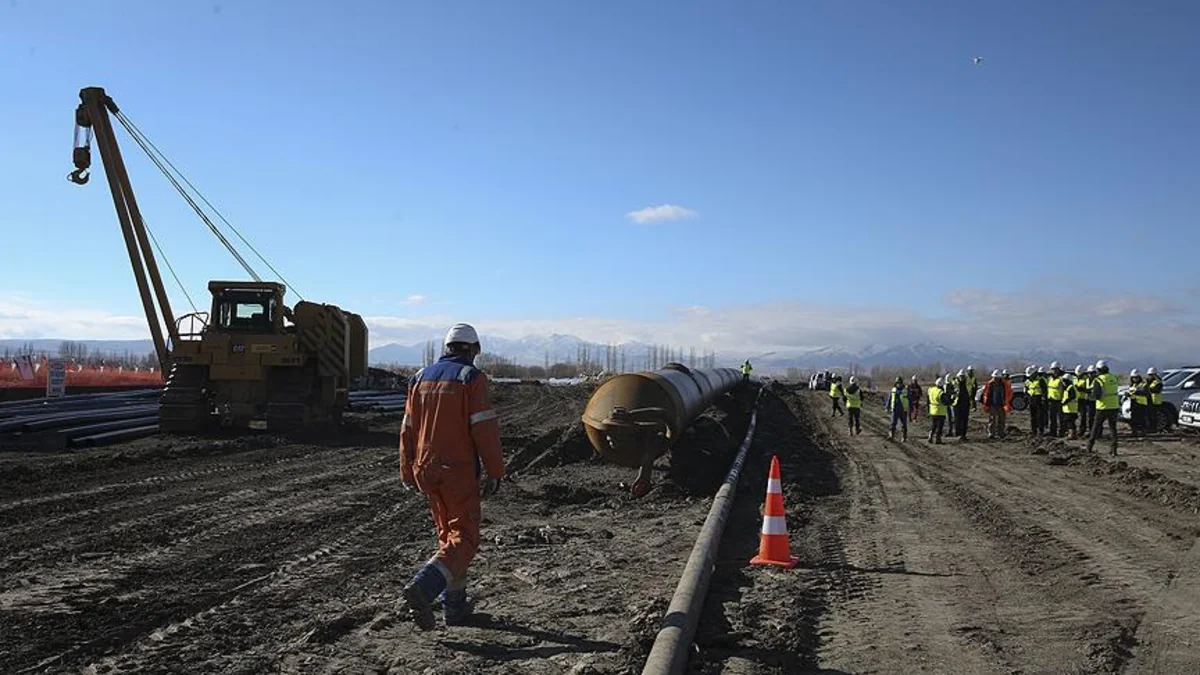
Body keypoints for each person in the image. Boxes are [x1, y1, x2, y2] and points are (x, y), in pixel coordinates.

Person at [400, 323, 505, 629]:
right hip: (456, 470)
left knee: (450, 537)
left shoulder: (419, 378)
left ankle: (455, 608)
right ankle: (424, 586)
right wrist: (496, 471)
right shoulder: (471, 378)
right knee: (466, 539)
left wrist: (407, 469)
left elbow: (407, 428)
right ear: (473, 350)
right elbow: (484, 429)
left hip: (425, 468)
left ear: (446, 348)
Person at [1087, 359, 1120, 456]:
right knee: (1113, 428)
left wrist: (1092, 394)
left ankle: (1089, 446)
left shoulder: (1098, 380)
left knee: (1095, 427)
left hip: (1102, 407)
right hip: (1114, 406)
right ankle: (1114, 450)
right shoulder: (1114, 377)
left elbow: (1097, 395)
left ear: (1098, 369)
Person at [981, 370, 1010, 439]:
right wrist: (986, 404)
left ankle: (1001, 433)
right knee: (992, 419)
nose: (996, 379)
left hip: (1002, 404)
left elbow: (1008, 393)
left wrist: (1007, 403)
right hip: (992, 404)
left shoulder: (1004, 384)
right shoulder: (990, 384)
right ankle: (991, 433)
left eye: (997, 377)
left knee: (1002, 419)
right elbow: (986, 394)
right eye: (995, 377)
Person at [885, 376, 909, 441]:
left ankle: (904, 437)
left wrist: (911, 408)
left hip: (903, 410)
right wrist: (887, 407)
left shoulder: (905, 390)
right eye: (897, 383)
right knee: (893, 423)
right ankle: (891, 435)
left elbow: (910, 399)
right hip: (895, 410)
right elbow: (889, 399)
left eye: (900, 383)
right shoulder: (893, 390)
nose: (899, 384)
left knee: (904, 424)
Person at [927, 377, 950, 444]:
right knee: (940, 426)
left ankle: (931, 435)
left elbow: (928, 400)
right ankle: (938, 439)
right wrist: (950, 399)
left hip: (933, 411)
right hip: (940, 411)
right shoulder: (940, 392)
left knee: (934, 425)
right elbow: (945, 401)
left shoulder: (931, 390)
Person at [1046, 362, 1065, 438]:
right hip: (1051, 400)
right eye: (1053, 369)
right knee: (1052, 417)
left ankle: (1061, 432)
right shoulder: (1050, 378)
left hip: (1059, 401)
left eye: (1055, 369)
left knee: (1061, 418)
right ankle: (1052, 432)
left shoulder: (1062, 379)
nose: (1054, 371)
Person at [1075, 365, 1094, 439]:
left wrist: (1081, 389)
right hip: (1077, 399)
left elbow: (1088, 390)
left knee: (1084, 416)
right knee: (1078, 416)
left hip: (1084, 399)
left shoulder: (1086, 379)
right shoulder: (1075, 379)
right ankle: (1078, 430)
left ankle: (1084, 430)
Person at [1025, 365, 1044, 436]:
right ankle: (1034, 431)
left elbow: (1045, 390)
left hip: (1039, 399)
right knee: (1032, 417)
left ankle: (1040, 431)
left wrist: (1043, 399)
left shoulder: (1040, 380)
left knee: (1039, 416)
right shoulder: (1027, 381)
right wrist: (1026, 397)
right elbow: (1026, 390)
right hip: (1031, 399)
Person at [1128, 369, 1148, 438]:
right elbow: (1131, 393)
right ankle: (1134, 432)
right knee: (1133, 419)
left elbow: (1145, 393)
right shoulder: (1132, 385)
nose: (1135, 379)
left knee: (1142, 420)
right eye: (1133, 377)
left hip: (1142, 404)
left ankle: (1143, 432)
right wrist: (1128, 394)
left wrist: (1137, 392)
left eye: (1136, 377)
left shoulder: (1143, 384)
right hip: (1134, 404)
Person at [953, 370, 972, 440]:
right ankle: (958, 433)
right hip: (957, 403)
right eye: (961, 376)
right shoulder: (954, 382)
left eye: (963, 376)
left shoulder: (968, 382)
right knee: (957, 419)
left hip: (965, 403)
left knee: (964, 419)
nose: (962, 377)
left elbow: (971, 390)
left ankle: (963, 434)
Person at [1061, 374, 1079, 439]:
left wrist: (1065, 402)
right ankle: (1071, 433)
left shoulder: (1071, 387)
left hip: (1071, 408)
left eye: (1065, 381)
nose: (1063, 382)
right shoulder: (1068, 387)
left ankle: (1072, 435)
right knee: (1069, 422)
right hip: (1068, 408)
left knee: (1070, 422)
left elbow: (1072, 396)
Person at [1146, 367, 1163, 433]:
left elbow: (1156, 390)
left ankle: (1154, 429)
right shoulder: (1150, 381)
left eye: (1150, 375)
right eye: (1149, 375)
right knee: (1150, 415)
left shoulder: (1157, 382)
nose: (1149, 376)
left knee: (1154, 416)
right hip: (1150, 400)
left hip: (1156, 401)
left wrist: (1148, 390)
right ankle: (1151, 428)